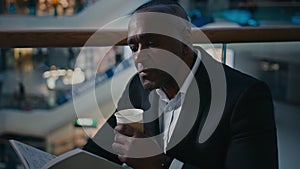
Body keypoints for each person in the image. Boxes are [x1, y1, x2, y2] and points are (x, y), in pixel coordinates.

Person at [83, 1, 278, 169]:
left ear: (184, 40)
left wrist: (162, 164)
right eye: (133, 47)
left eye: (151, 42)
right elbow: (95, 151)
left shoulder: (245, 97)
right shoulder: (139, 86)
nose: (139, 56)